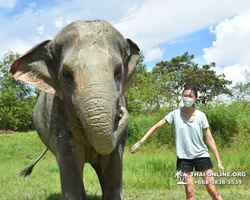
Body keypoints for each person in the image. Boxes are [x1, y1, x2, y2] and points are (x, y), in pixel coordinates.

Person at [131, 86, 224, 200]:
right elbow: (156, 126)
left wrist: (218, 161)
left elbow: (210, 139)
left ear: (195, 98)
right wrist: (141, 142)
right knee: (190, 193)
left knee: (212, 190)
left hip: (201, 156)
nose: (187, 98)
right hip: (184, 158)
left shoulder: (201, 116)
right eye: (185, 95)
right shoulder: (175, 114)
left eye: (190, 96)